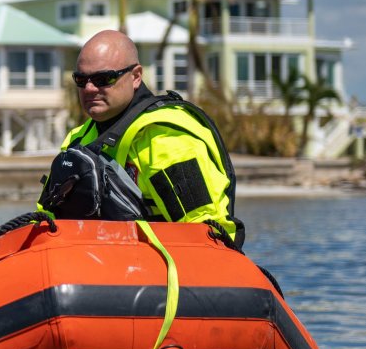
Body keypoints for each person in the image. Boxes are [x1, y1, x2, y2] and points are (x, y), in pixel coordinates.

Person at [38, 29, 243, 244]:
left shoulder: (164, 137)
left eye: (103, 78)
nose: (89, 88)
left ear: (136, 76)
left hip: (157, 273)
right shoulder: (77, 140)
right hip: (95, 268)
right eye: (81, 80)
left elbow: (207, 234)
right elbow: (44, 220)